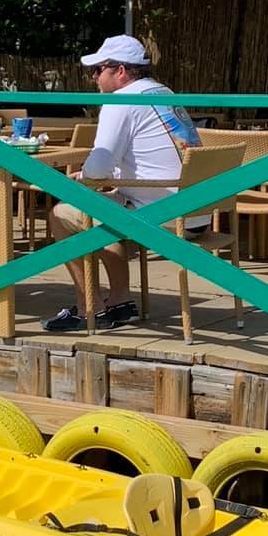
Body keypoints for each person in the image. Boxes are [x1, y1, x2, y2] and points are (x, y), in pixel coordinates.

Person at [43, 33, 201, 332]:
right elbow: (150, 158)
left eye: (98, 69)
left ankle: (89, 307)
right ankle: (118, 300)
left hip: (164, 215)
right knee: (103, 209)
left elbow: (100, 165)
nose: (94, 77)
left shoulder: (121, 101)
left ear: (121, 71)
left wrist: (89, 178)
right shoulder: (162, 92)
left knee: (62, 214)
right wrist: (105, 179)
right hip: (198, 212)